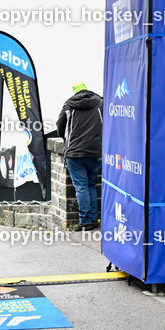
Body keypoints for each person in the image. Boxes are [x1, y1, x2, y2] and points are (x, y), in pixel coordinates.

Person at [55, 82, 103, 232]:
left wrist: (68, 141)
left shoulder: (69, 105)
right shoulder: (100, 103)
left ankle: (85, 221)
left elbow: (60, 127)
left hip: (75, 153)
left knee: (81, 186)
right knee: (91, 184)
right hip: (96, 152)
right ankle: (94, 219)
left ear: (75, 92)